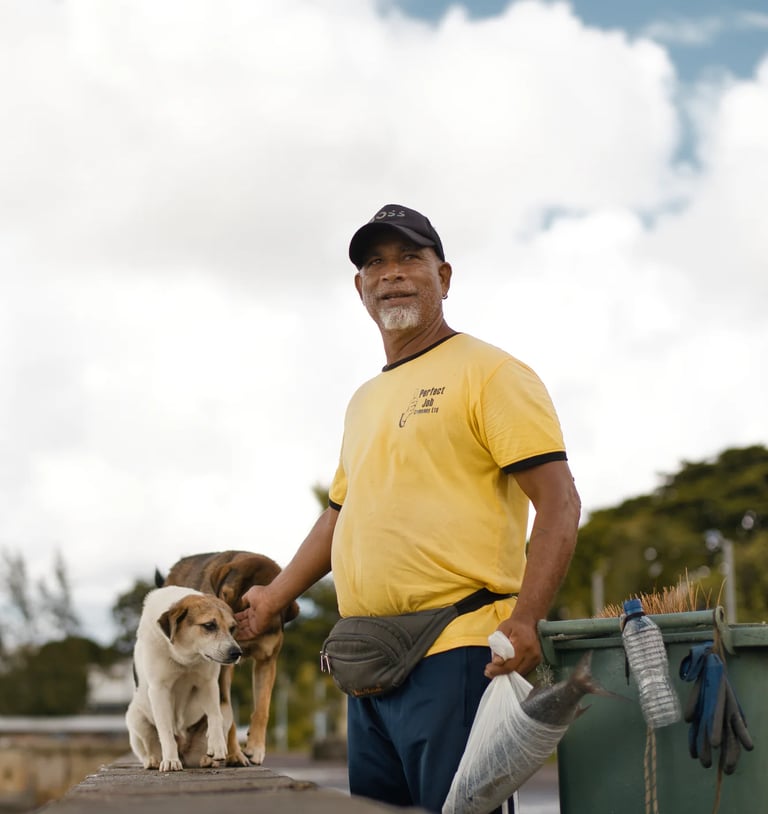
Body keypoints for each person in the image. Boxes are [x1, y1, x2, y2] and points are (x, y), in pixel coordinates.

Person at [236, 204, 581, 813]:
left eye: (409, 259)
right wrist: (272, 597)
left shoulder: (491, 373)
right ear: (360, 288)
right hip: (367, 661)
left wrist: (526, 619)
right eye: (375, 263)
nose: (390, 274)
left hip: (458, 653)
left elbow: (559, 502)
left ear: (443, 277)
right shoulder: (364, 400)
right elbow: (339, 514)